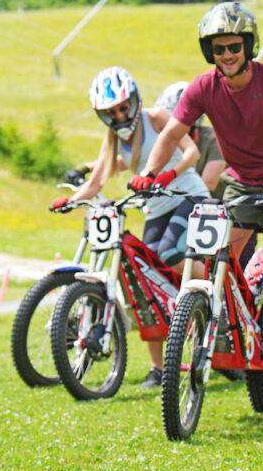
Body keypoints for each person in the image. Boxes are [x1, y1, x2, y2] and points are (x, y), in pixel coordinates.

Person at [129, 1, 263, 367]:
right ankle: (227, 318)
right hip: (243, 182)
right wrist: (148, 174)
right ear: (209, 52)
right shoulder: (202, 88)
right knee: (219, 256)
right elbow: (170, 135)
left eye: (233, 46)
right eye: (218, 49)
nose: (226, 55)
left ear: (248, 45)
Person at [50, 66, 209, 389]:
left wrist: (166, 176)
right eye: (112, 112)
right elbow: (96, 181)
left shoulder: (156, 119)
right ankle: (158, 367)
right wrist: (69, 201)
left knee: (166, 254)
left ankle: (201, 297)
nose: (121, 116)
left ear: (135, 100)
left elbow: (192, 153)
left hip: (188, 196)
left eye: (124, 107)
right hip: (155, 208)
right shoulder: (113, 141)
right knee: (144, 280)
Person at [151, 82, 227, 197]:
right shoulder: (166, 144)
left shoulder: (214, 140)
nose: (171, 127)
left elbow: (208, 183)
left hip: (217, 207)